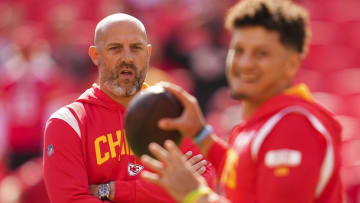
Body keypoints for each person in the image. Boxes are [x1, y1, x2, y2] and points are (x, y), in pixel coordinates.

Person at [139, 0, 343, 202]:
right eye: (238, 50)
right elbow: (245, 180)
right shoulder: (268, 122)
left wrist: (194, 195)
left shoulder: (292, 127)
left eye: (261, 53)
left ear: (291, 64)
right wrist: (201, 134)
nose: (245, 63)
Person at [43, 13, 216, 203]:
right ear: (95, 55)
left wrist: (112, 190)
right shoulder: (68, 123)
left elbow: (204, 186)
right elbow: (70, 200)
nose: (127, 58)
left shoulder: (175, 113)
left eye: (136, 48)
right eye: (115, 48)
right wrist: (169, 192)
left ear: (148, 54)